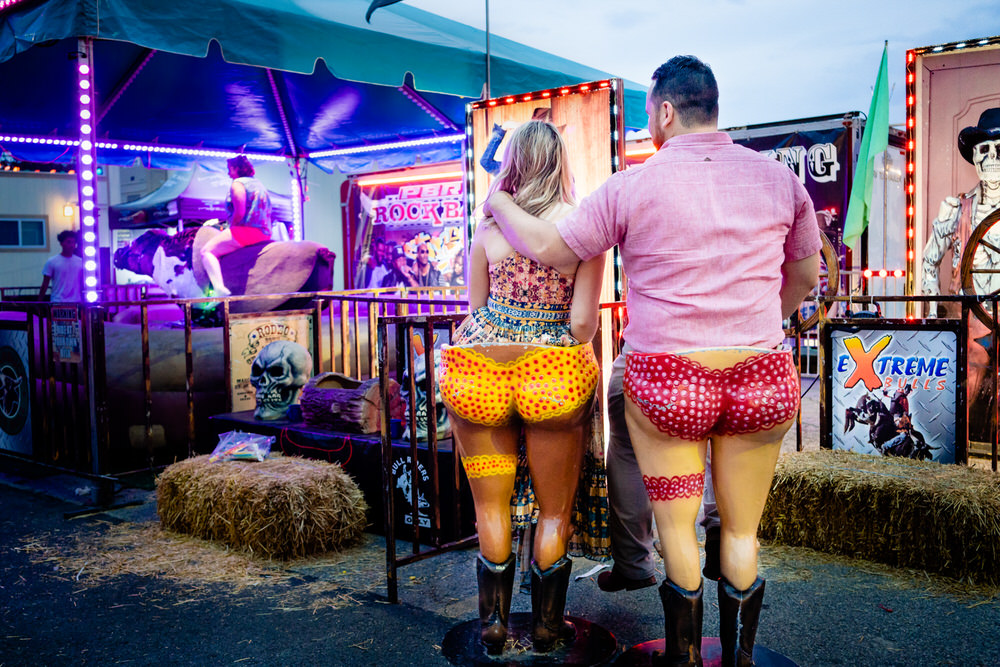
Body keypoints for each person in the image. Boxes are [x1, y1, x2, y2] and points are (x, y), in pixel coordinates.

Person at [486, 56, 820, 666]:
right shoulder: (779, 180)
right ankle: (740, 660)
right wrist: (754, 322)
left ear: (666, 110)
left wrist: (499, 202)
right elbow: (804, 276)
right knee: (743, 533)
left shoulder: (629, 185)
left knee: (678, 531)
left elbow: (548, 248)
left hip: (669, 382)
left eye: (650, 117)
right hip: (761, 376)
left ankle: (685, 658)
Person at [438, 120, 608, 654]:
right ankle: (544, 628)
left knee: (491, 508)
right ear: (560, 163)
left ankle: (491, 625)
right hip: (551, 378)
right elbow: (583, 326)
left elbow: (475, 308)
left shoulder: (487, 229)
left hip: (479, 373)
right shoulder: (582, 229)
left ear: (512, 164)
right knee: (554, 511)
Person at [200, 155, 273, 297]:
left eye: (230, 169)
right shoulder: (258, 184)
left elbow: (239, 212)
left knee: (206, 251)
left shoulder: (238, 184)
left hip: (247, 231)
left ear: (237, 169)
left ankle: (219, 289)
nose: (228, 173)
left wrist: (231, 228)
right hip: (265, 232)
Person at [40, 230, 84, 303]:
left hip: (76, 301)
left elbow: (83, 282)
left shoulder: (80, 262)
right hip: (57, 301)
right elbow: (45, 283)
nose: (71, 245)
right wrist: (39, 302)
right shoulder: (52, 261)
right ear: (61, 243)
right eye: (68, 242)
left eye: (73, 242)